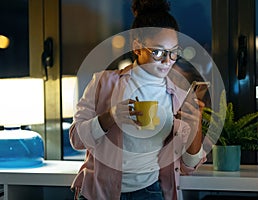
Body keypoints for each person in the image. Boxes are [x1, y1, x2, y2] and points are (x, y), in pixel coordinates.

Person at [69, 0, 207, 199]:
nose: (167, 61)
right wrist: (110, 116)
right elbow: (76, 139)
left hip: (150, 192)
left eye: (174, 52)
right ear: (137, 47)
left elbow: (190, 166)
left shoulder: (178, 95)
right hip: (99, 192)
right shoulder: (102, 83)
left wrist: (195, 127)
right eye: (158, 52)